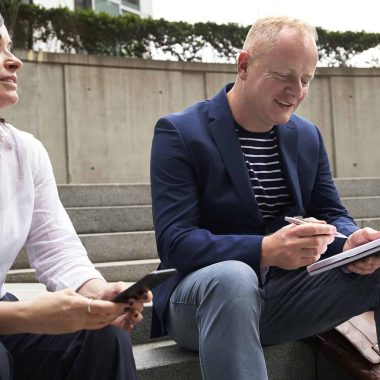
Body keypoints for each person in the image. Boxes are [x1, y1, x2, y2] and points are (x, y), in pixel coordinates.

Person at [150, 15, 380, 379]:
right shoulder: (179, 133)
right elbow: (175, 242)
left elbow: (332, 212)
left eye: (306, 79)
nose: (296, 90)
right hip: (200, 302)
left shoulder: (307, 136)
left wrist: (351, 241)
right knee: (234, 277)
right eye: (284, 75)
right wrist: (264, 250)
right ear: (244, 65)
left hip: (285, 298)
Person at [0, 13, 152, 380]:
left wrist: (100, 293)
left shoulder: (24, 151)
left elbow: (56, 248)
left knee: (104, 338)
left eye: (8, 47)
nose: (13, 60)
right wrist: (30, 314)